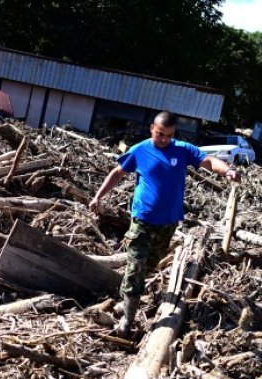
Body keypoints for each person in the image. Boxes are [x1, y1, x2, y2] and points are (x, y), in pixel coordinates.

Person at [89, 111, 241, 336]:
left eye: (168, 135)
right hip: (142, 219)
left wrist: (227, 170)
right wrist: (98, 196)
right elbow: (118, 173)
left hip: (168, 221)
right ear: (152, 128)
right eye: (160, 134)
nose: (163, 139)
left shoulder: (181, 149)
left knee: (150, 264)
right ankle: (127, 321)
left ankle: (126, 298)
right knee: (136, 264)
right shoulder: (140, 150)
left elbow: (208, 161)